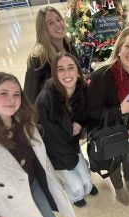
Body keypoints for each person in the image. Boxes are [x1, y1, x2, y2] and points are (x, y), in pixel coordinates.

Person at [0, 72, 75, 217]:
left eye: (17, 94)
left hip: (33, 184)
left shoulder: (24, 120)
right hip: (5, 206)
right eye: (4, 93)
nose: (12, 99)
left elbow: (39, 159)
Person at [87, 25, 129, 206]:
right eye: (128, 46)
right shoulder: (102, 75)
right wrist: (119, 110)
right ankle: (119, 187)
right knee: (114, 161)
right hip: (109, 132)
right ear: (119, 48)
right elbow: (91, 112)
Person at [35, 52, 98, 207]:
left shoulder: (82, 88)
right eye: (60, 69)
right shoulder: (45, 100)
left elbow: (86, 113)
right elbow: (53, 139)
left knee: (86, 180)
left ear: (78, 70)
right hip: (55, 151)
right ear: (54, 74)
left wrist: (78, 122)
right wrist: (73, 162)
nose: (67, 73)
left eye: (71, 67)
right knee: (76, 186)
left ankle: (84, 184)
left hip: (72, 144)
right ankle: (74, 196)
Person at [24, 6, 78, 104]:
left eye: (58, 19)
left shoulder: (70, 46)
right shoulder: (39, 58)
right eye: (50, 23)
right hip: (52, 114)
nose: (58, 25)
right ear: (43, 29)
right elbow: (30, 96)